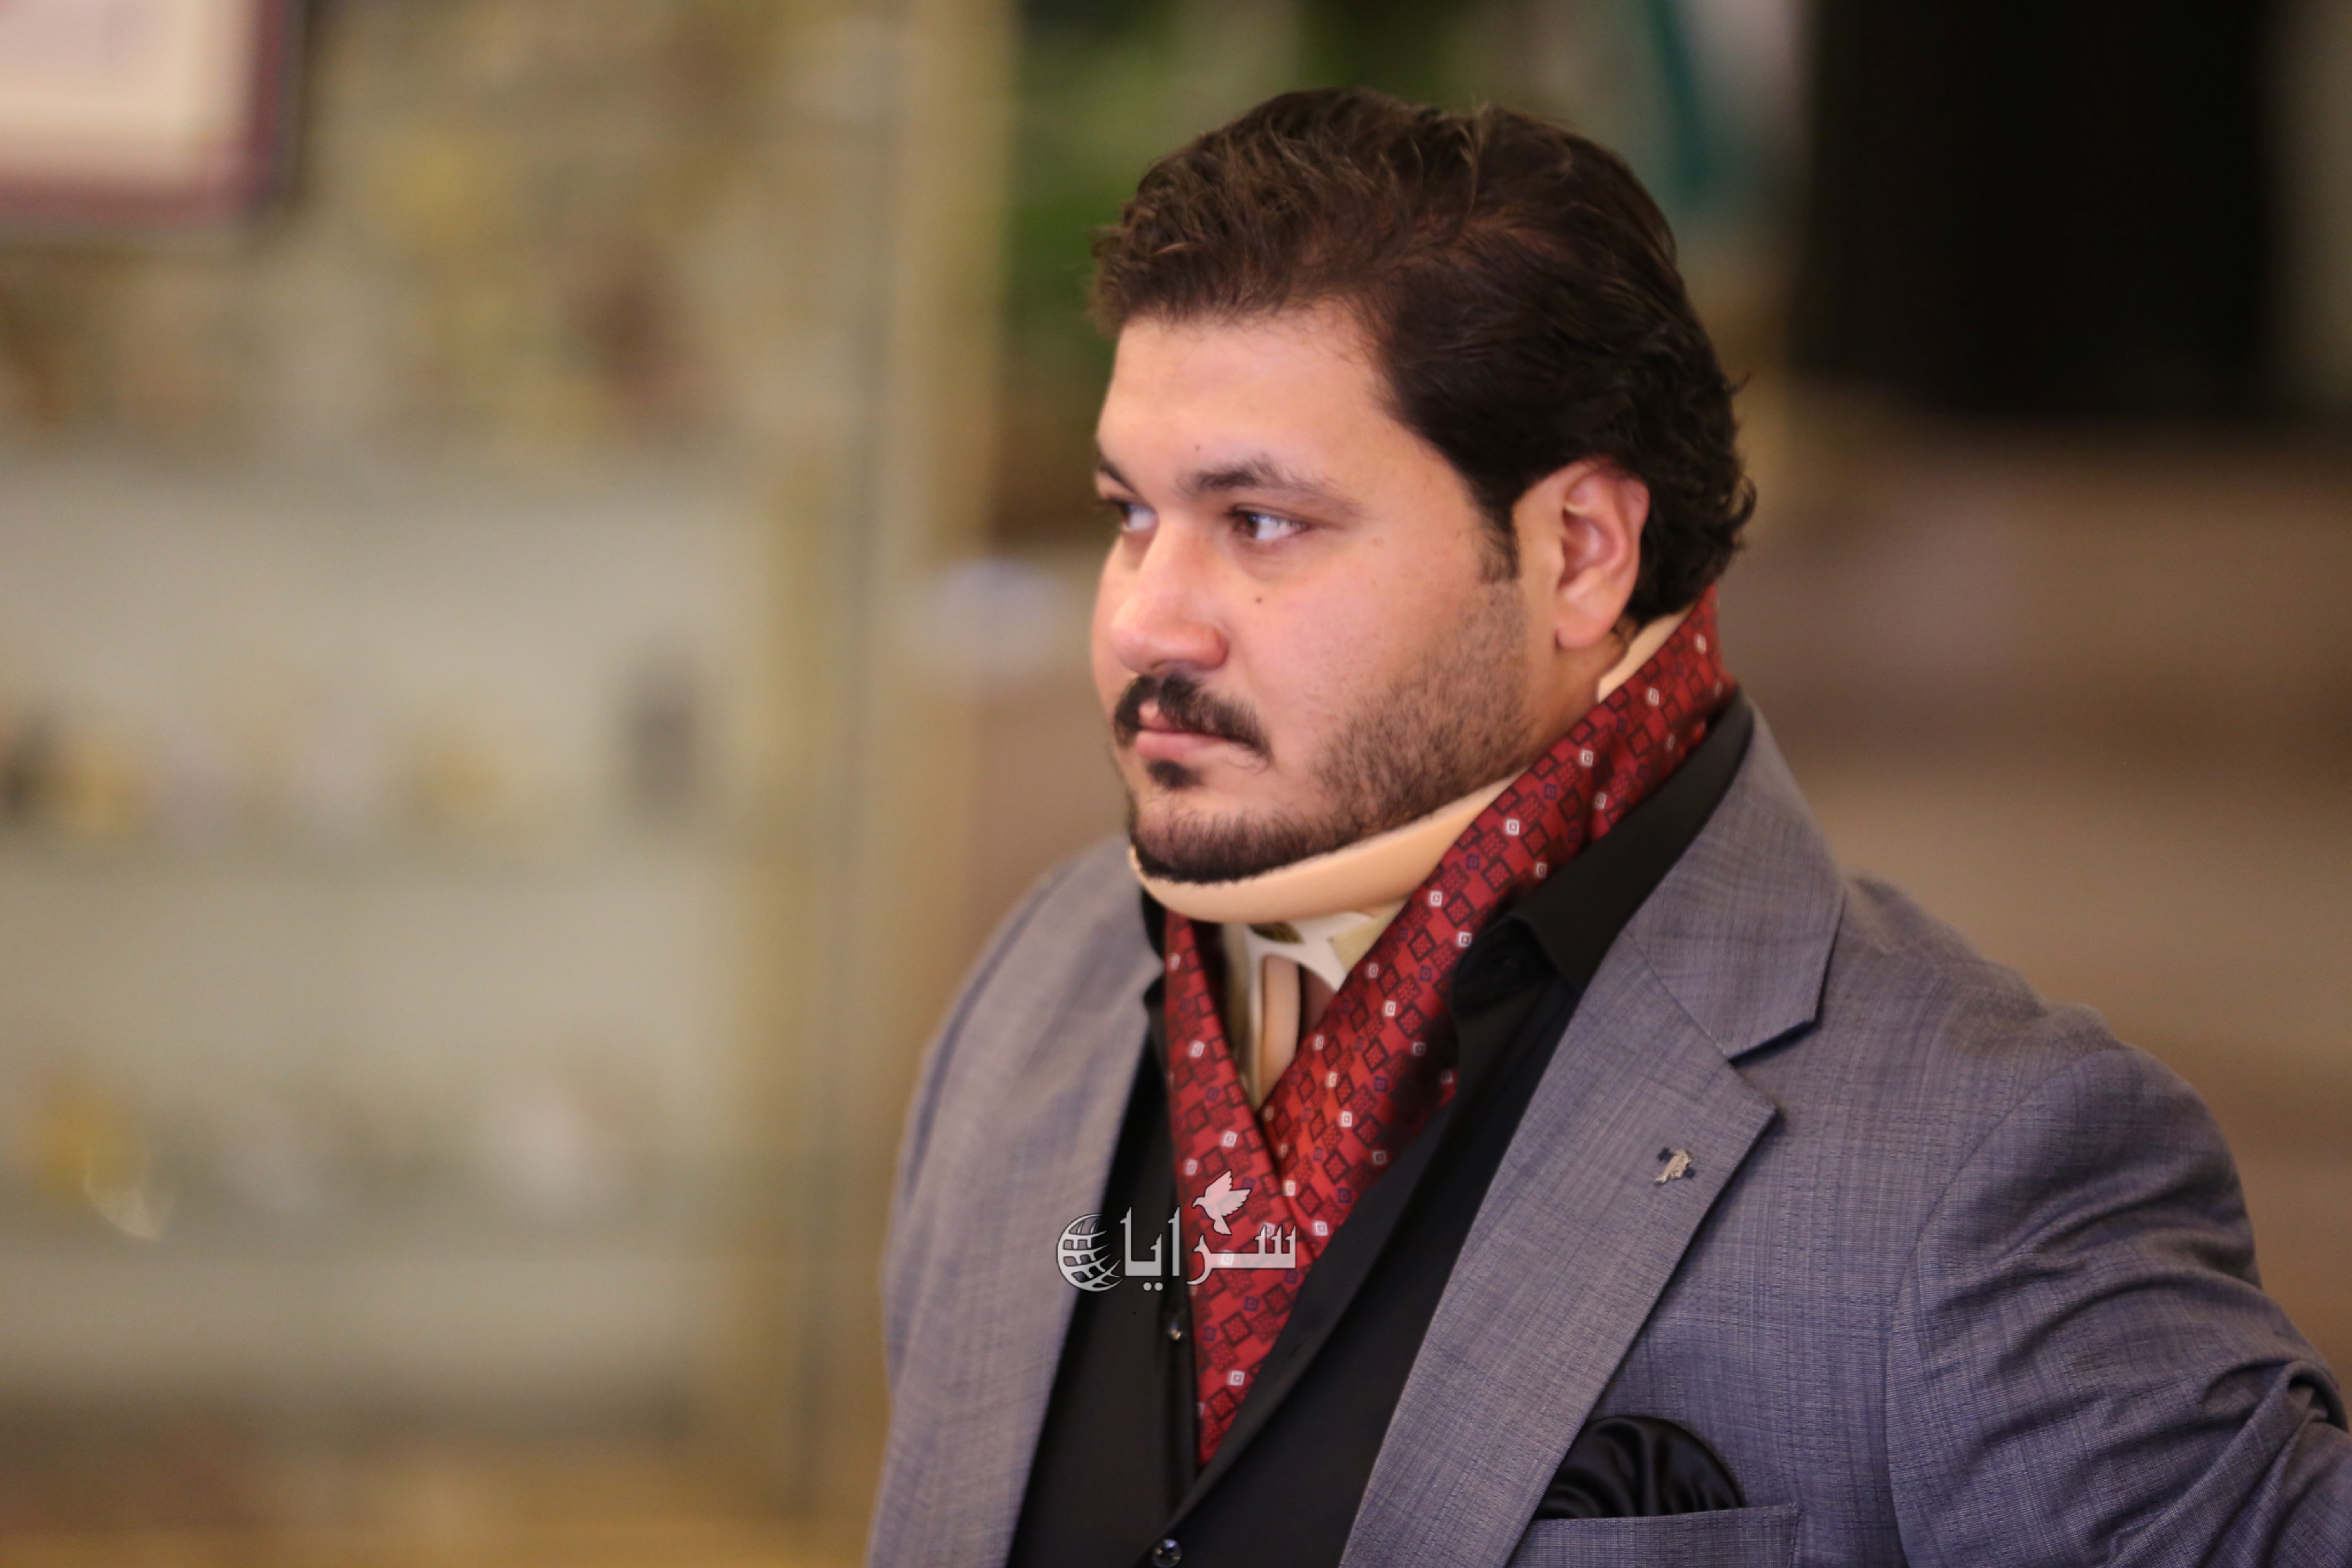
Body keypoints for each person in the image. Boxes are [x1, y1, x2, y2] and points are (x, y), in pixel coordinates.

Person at [868, 89, 2351, 1567]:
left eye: (1260, 522)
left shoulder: (1981, 1162)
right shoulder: (1049, 982)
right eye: (1130, 515)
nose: (1144, 621)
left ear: (1578, 553)